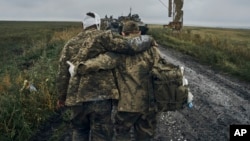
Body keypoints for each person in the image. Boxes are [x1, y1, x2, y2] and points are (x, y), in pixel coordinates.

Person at [56, 12, 154, 141]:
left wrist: (61, 97)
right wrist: (149, 39)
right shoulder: (104, 37)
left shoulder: (69, 44)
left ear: (83, 26)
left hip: (76, 97)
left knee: (79, 130)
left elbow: (62, 74)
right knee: (101, 134)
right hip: (100, 96)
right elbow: (130, 46)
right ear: (98, 24)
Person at [75, 21, 164, 141]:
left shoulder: (119, 52)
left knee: (122, 134)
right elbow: (163, 70)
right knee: (145, 135)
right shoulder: (153, 50)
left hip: (128, 105)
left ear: (123, 33)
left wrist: (80, 67)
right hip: (150, 103)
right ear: (139, 32)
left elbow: (101, 62)